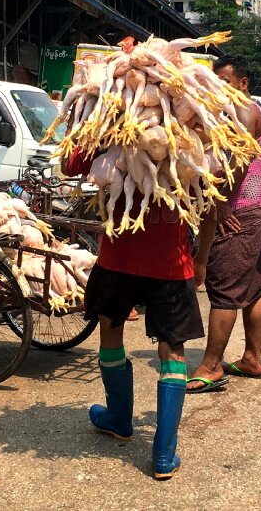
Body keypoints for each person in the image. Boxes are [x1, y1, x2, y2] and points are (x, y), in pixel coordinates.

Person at [61, 146, 207, 480]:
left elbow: (70, 165)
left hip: (119, 259)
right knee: (173, 348)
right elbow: (215, 189)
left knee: (111, 332)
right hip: (171, 260)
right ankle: (163, 454)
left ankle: (119, 419)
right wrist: (203, 257)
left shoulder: (112, 128)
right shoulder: (190, 132)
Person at [188, 55, 261, 394]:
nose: (218, 88)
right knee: (251, 290)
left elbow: (239, 161)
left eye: (224, 81)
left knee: (224, 292)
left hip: (236, 215)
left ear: (243, 84)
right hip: (251, 212)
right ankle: (251, 360)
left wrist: (222, 202)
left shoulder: (243, 112)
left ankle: (211, 366)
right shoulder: (256, 114)